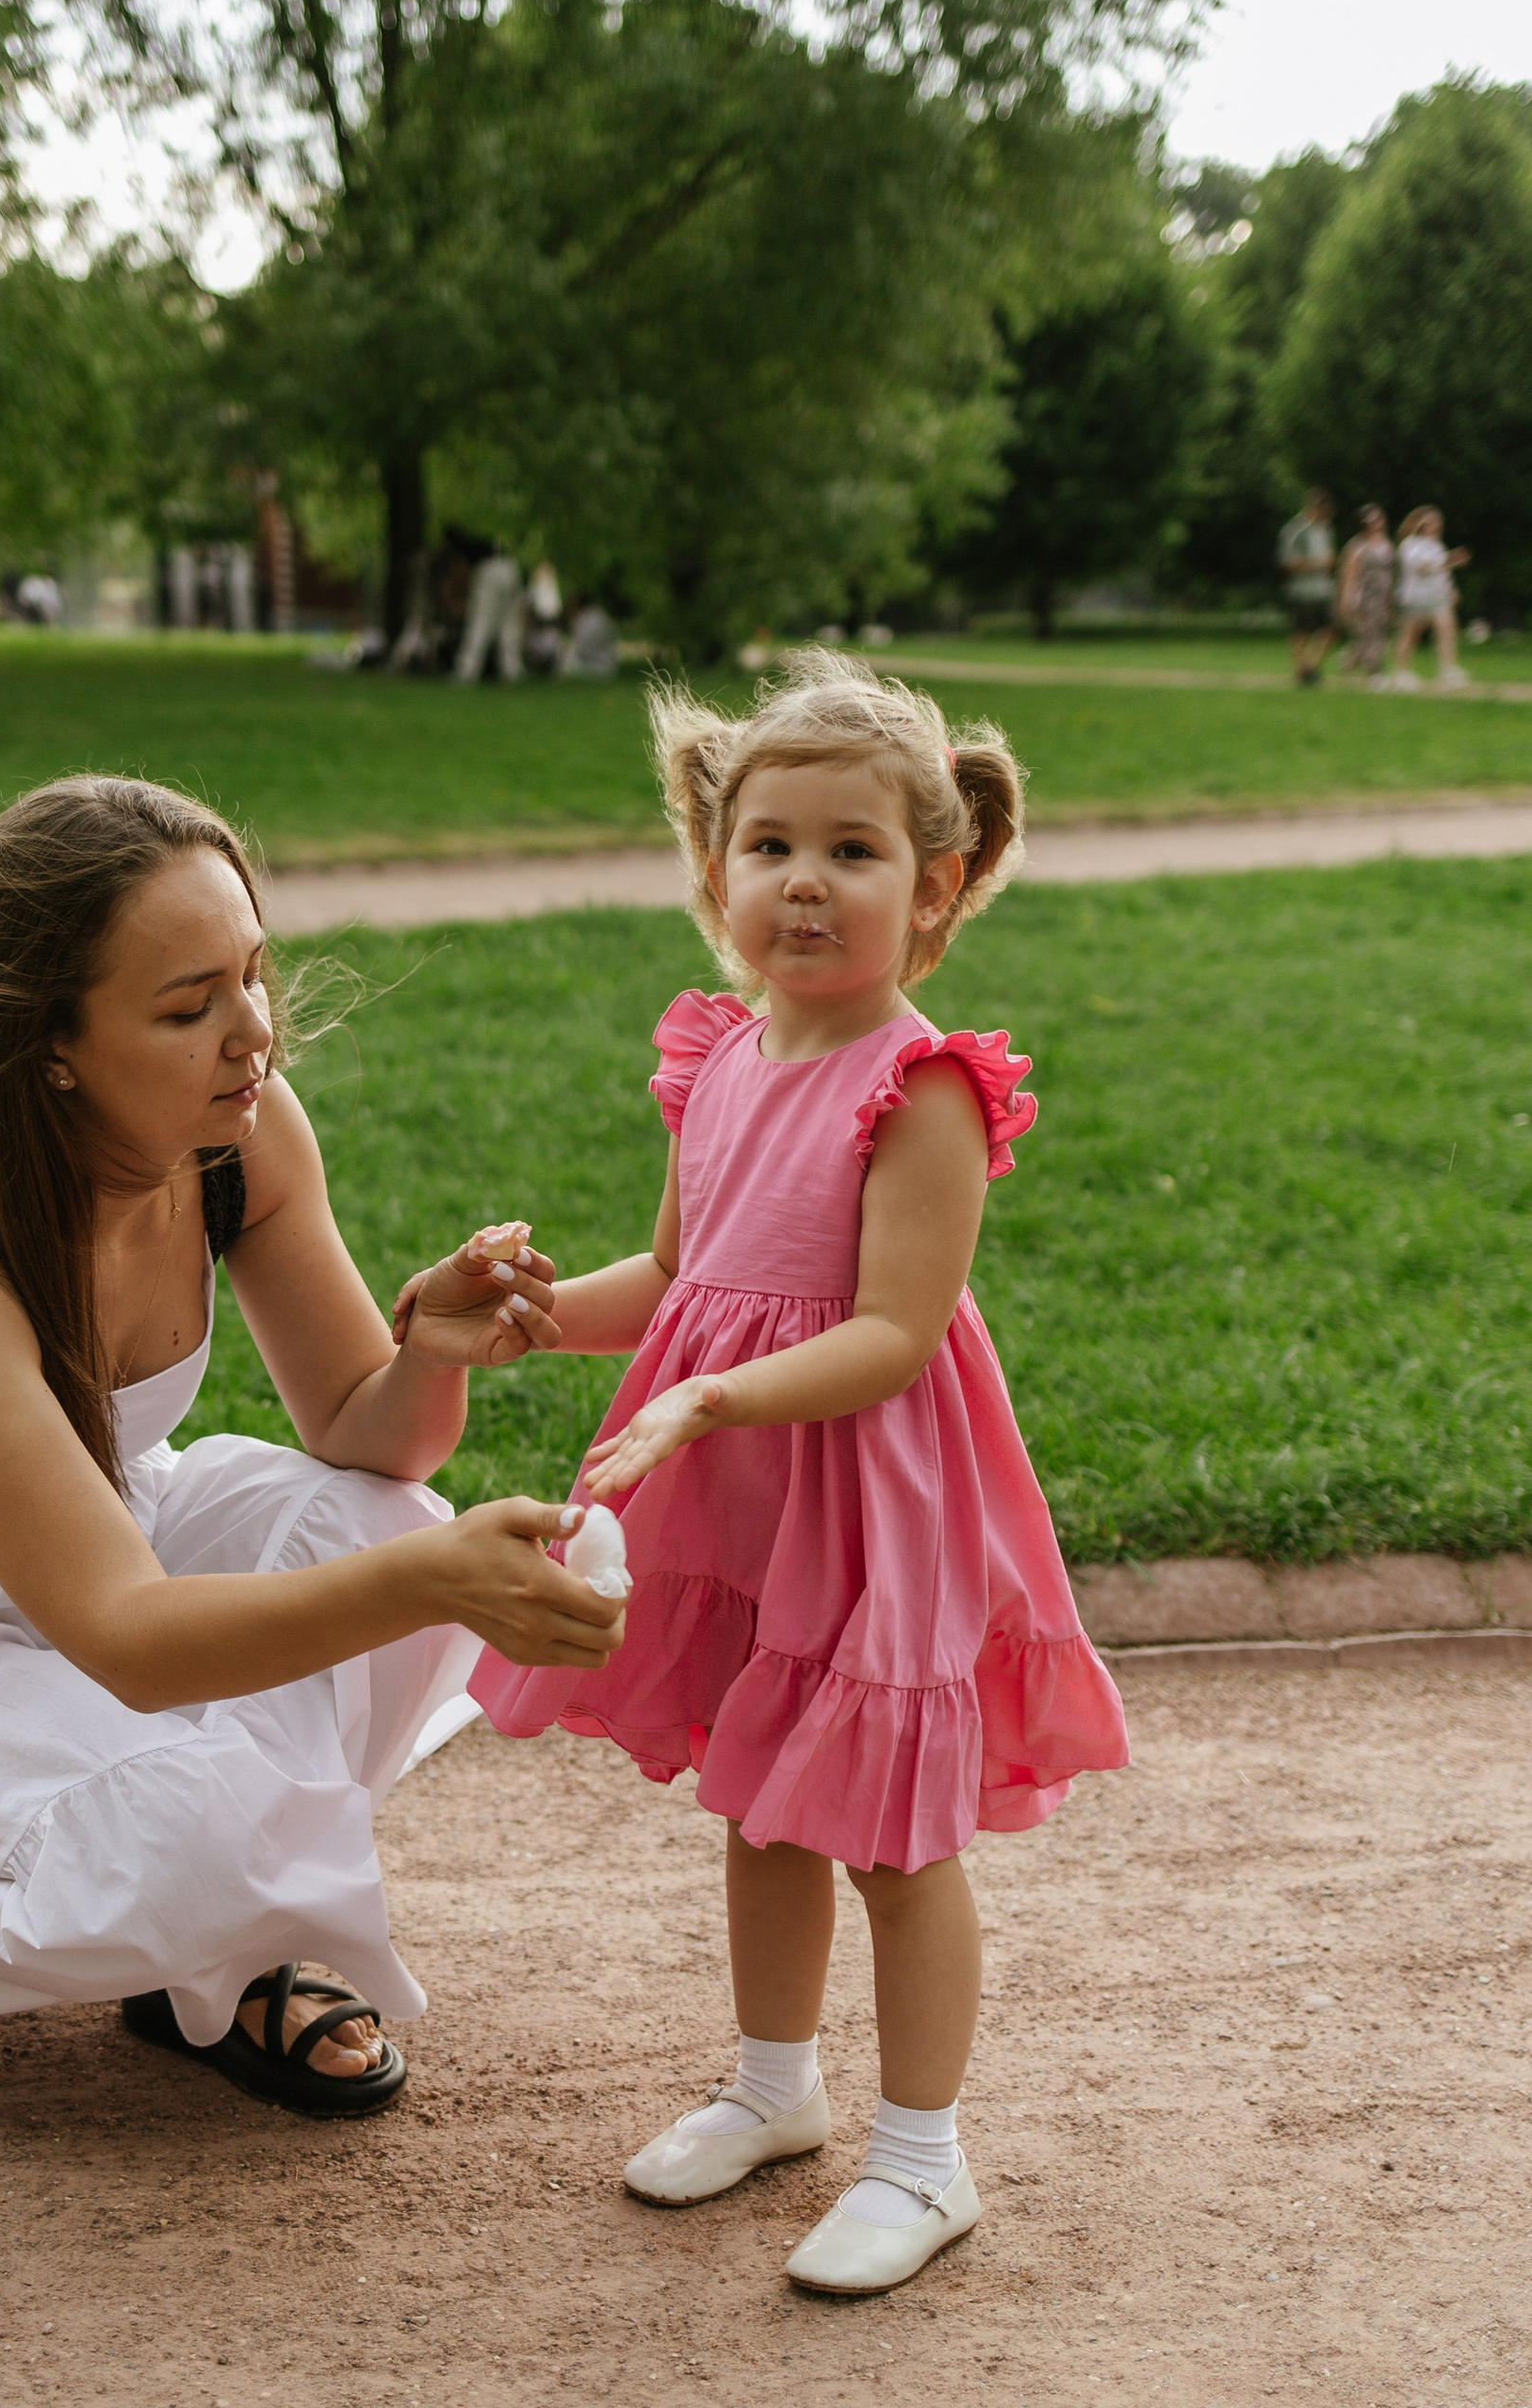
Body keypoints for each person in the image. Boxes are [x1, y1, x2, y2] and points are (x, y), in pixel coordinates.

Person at [0, 776, 622, 2137]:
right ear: (48, 1044)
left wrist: (430, 1356)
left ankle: (218, 1959)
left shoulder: (238, 1131)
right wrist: (437, 1583)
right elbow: (129, 1639)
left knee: (384, 1521)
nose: (254, 1033)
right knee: (207, 1817)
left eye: (253, 976)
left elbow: (364, 1432)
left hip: (104, 1537)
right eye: (189, 1009)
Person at [470, 651, 1129, 2296]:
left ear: (936, 887)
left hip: (870, 1498)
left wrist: (708, 1402)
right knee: (758, 1796)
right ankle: (775, 2088)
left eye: (853, 850)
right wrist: (536, 1317)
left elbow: (893, 1334)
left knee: (890, 1833)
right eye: (770, 847)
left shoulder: (924, 1091)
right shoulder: (718, 1060)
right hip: (750, 1493)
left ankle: (923, 2158)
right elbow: (675, 1278)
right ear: (718, 871)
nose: (806, 883)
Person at [1389, 506, 1471, 691]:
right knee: (1410, 634)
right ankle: (1401, 673)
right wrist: (1450, 560)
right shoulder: (1409, 544)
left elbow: (1441, 573)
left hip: (1436, 596)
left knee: (1447, 629)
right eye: (1429, 522)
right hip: (1415, 597)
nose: (1434, 525)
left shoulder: (1436, 545)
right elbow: (1421, 568)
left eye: (1436, 522)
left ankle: (1447, 670)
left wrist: (1450, 589)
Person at [1276, 489, 1338, 685]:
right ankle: (1300, 669)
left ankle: (1312, 667)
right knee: (1301, 631)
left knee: (1330, 630)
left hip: (1323, 589)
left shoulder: (1326, 529)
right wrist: (1318, 563)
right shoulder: (1296, 530)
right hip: (1302, 590)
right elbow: (1287, 563)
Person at [1336, 503, 1396, 685]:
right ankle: (1374, 672)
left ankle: (1350, 659)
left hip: (1382, 597)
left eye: (1378, 519)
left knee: (1378, 633)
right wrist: (1346, 599)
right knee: (1370, 635)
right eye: (1371, 521)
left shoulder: (1386, 544)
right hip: (1364, 597)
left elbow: (1391, 573)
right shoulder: (1357, 546)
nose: (1376, 524)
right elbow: (1349, 575)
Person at [453, 550, 524, 683]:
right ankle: (512, 669)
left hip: (489, 569)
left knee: (481, 623)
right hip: (511, 568)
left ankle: (468, 670)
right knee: (510, 625)